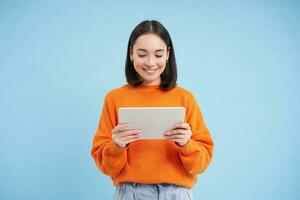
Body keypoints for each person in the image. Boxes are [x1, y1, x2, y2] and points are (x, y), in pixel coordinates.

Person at [91, 20, 214, 200]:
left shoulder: (185, 99)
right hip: (131, 193)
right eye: (142, 54)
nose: (150, 62)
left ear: (167, 55)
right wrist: (116, 145)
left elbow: (201, 164)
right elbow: (106, 167)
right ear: (131, 53)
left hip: (177, 194)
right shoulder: (114, 99)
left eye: (158, 54)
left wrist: (186, 144)